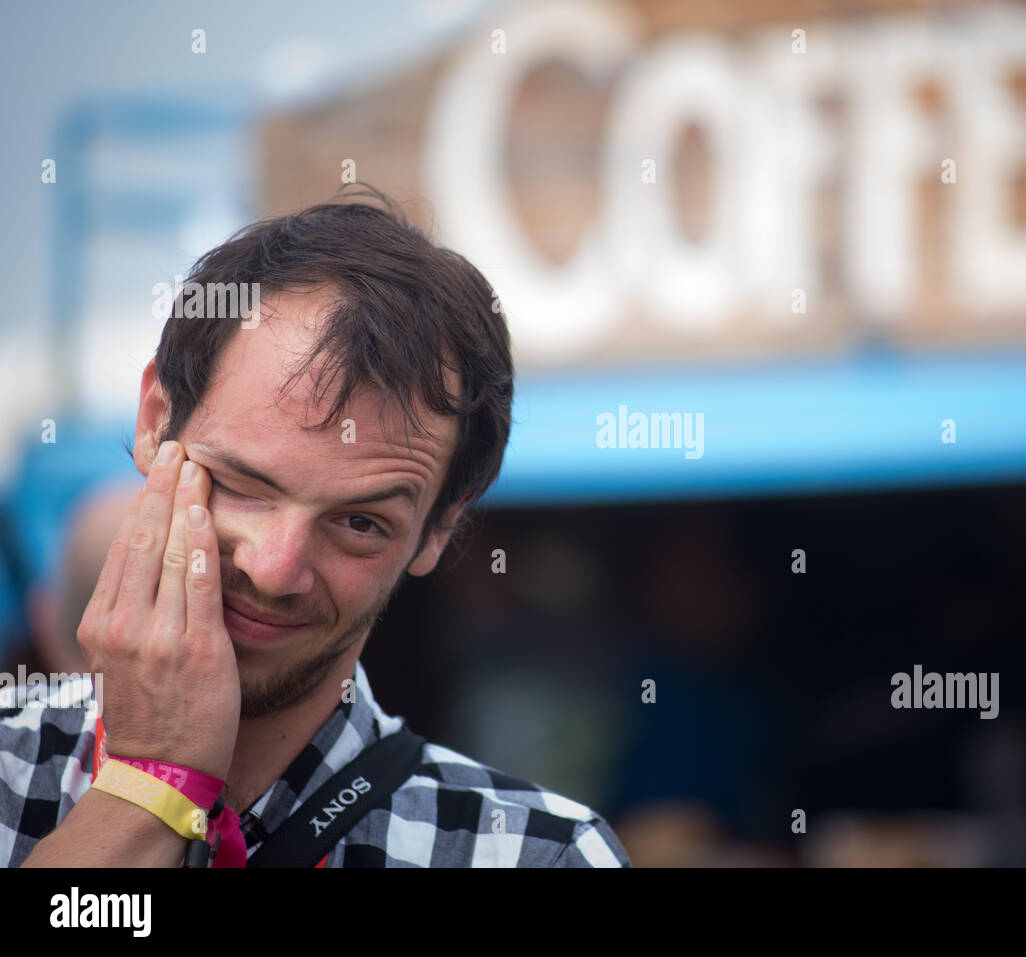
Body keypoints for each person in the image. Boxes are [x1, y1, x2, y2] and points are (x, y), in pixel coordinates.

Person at [0, 187, 630, 868]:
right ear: (155, 420)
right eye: (241, 484)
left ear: (440, 526)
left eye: (360, 522)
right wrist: (151, 787)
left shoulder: (532, 854)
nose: (275, 567)